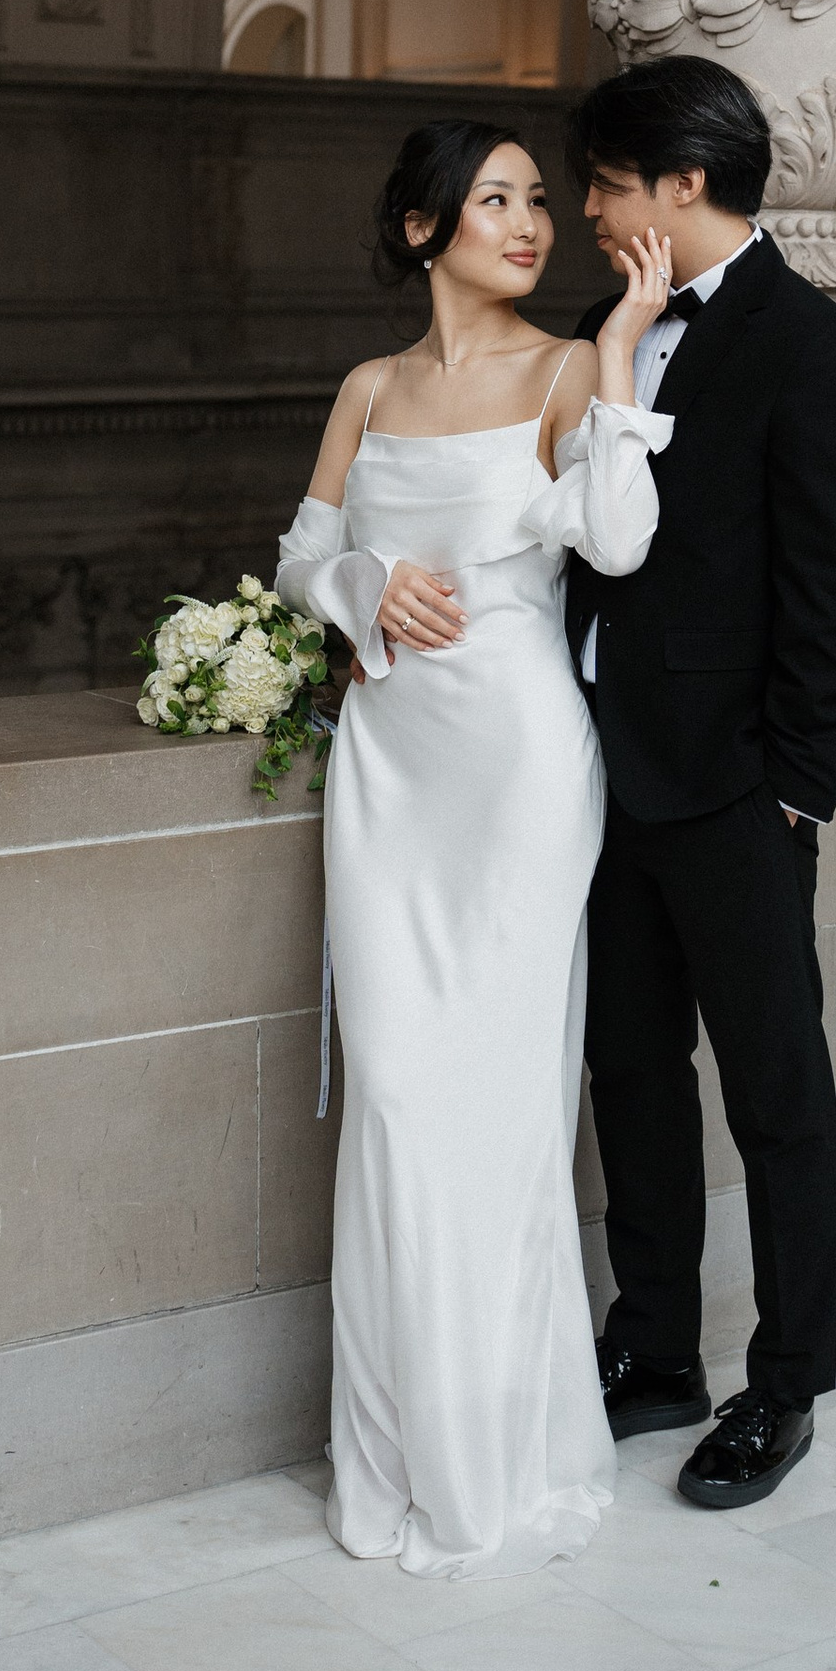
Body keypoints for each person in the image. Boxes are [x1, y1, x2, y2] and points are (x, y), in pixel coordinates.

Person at [275, 120, 674, 1578]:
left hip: (517, 771)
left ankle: (497, 1448)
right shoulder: (369, 389)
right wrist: (367, 584)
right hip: (389, 771)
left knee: (498, 1107)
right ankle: (395, 1451)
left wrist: (620, 352)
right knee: (392, 1093)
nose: (531, 223)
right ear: (420, 228)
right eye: (494, 199)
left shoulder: (568, 370)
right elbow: (299, 561)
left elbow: (619, 541)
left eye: (537, 201)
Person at [565, 56, 836, 1510]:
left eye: (605, 183)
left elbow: (832, 602)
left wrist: (795, 792)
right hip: (597, 781)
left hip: (736, 792)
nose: (587, 211)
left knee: (776, 1094)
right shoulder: (608, 331)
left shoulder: (815, 351)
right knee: (630, 1073)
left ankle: (785, 1385)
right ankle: (654, 1352)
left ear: (683, 183)